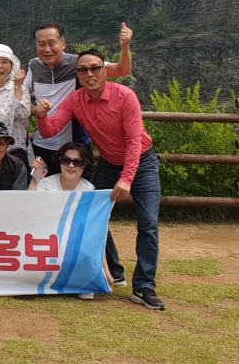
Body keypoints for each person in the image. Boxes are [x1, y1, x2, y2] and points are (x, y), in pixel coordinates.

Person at [34, 48, 164, 311]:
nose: (89, 74)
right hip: (108, 163)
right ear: (78, 75)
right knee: (91, 218)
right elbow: (50, 131)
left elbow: (134, 141)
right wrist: (41, 114)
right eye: (83, 70)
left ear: (105, 71)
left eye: (95, 68)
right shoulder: (75, 100)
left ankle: (144, 286)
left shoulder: (125, 96)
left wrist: (127, 179)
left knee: (148, 223)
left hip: (142, 161)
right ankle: (113, 270)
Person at [24, 22, 133, 176]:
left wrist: (125, 46)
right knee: (42, 195)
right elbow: (19, 92)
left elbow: (122, 69)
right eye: (41, 44)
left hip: (75, 147)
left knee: (78, 196)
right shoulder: (34, 66)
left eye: (51, 43)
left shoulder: (80, 64)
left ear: (63, 44)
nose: (46, 49)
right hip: (42, 145)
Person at [31, 142, 110, 300]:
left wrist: (105, 271)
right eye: (66, 160)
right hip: (47, 242)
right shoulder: (45, 184)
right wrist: (35, 177)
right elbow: (28, 210)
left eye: (78, 162)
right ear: (59, 162)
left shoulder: (89, 191)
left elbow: (95, 236)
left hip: (74, 247)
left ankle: (82, 282)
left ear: (84, 166)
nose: (71, 165)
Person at [0, 44, 32, 168]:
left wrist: (17, 87)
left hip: (15, 157)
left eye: (4, 62)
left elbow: (24, 114)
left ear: (11, 67)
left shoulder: (21, 90)